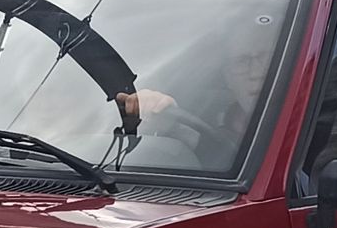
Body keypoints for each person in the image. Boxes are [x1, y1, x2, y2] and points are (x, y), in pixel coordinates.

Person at [116, 30, 276, 167]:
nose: (256, 73)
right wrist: (161, 116)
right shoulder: (209, 132)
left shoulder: (292, 136)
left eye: (265, 58)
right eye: (242, 62)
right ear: (227, 77)